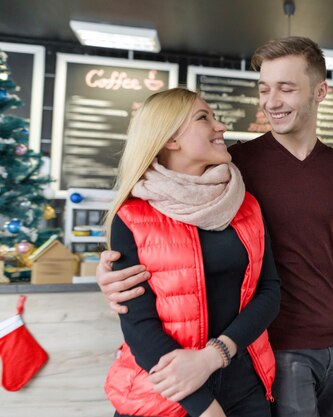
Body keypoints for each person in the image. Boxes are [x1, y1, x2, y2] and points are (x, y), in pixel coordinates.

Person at [97, 37, 333, 417]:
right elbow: (167, 203)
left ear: (321, 91)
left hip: (328, 344)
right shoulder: (233, 165)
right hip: (272, 343)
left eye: (286, 88)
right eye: (264, 89)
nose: (271, 101)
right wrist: (109, 271)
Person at [102, 87, 280, 417]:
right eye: (204, 118)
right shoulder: (131, 217)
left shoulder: (246, 206)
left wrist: (215, 356)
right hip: (164, 393)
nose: (221, 126)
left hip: (244, 387)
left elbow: (269, 292)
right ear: (170, 139)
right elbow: (139, 326)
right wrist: (204, 407)